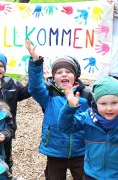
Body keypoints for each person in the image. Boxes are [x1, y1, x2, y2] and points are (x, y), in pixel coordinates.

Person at [58, 76, 118, 180]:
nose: (109, 108)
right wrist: (69, 108)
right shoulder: (87, 118)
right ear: (95, 103)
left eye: (114, 103)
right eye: (103, 103)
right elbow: (65, 128)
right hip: (91, 175)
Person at [25, 40, 92, 180]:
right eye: (59, 72)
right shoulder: (48, 95)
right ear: (53, 77)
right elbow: (35, 87)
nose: (64, 74)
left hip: (80, 150)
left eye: (68, 71)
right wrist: (36, 62)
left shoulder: (85, 95)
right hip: (55, 150)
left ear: (75, 76)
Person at [0, 52, 31, 130]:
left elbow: (28, 91)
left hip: (7, 128)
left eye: (1, 66)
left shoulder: (12, 83)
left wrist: (35, 75)